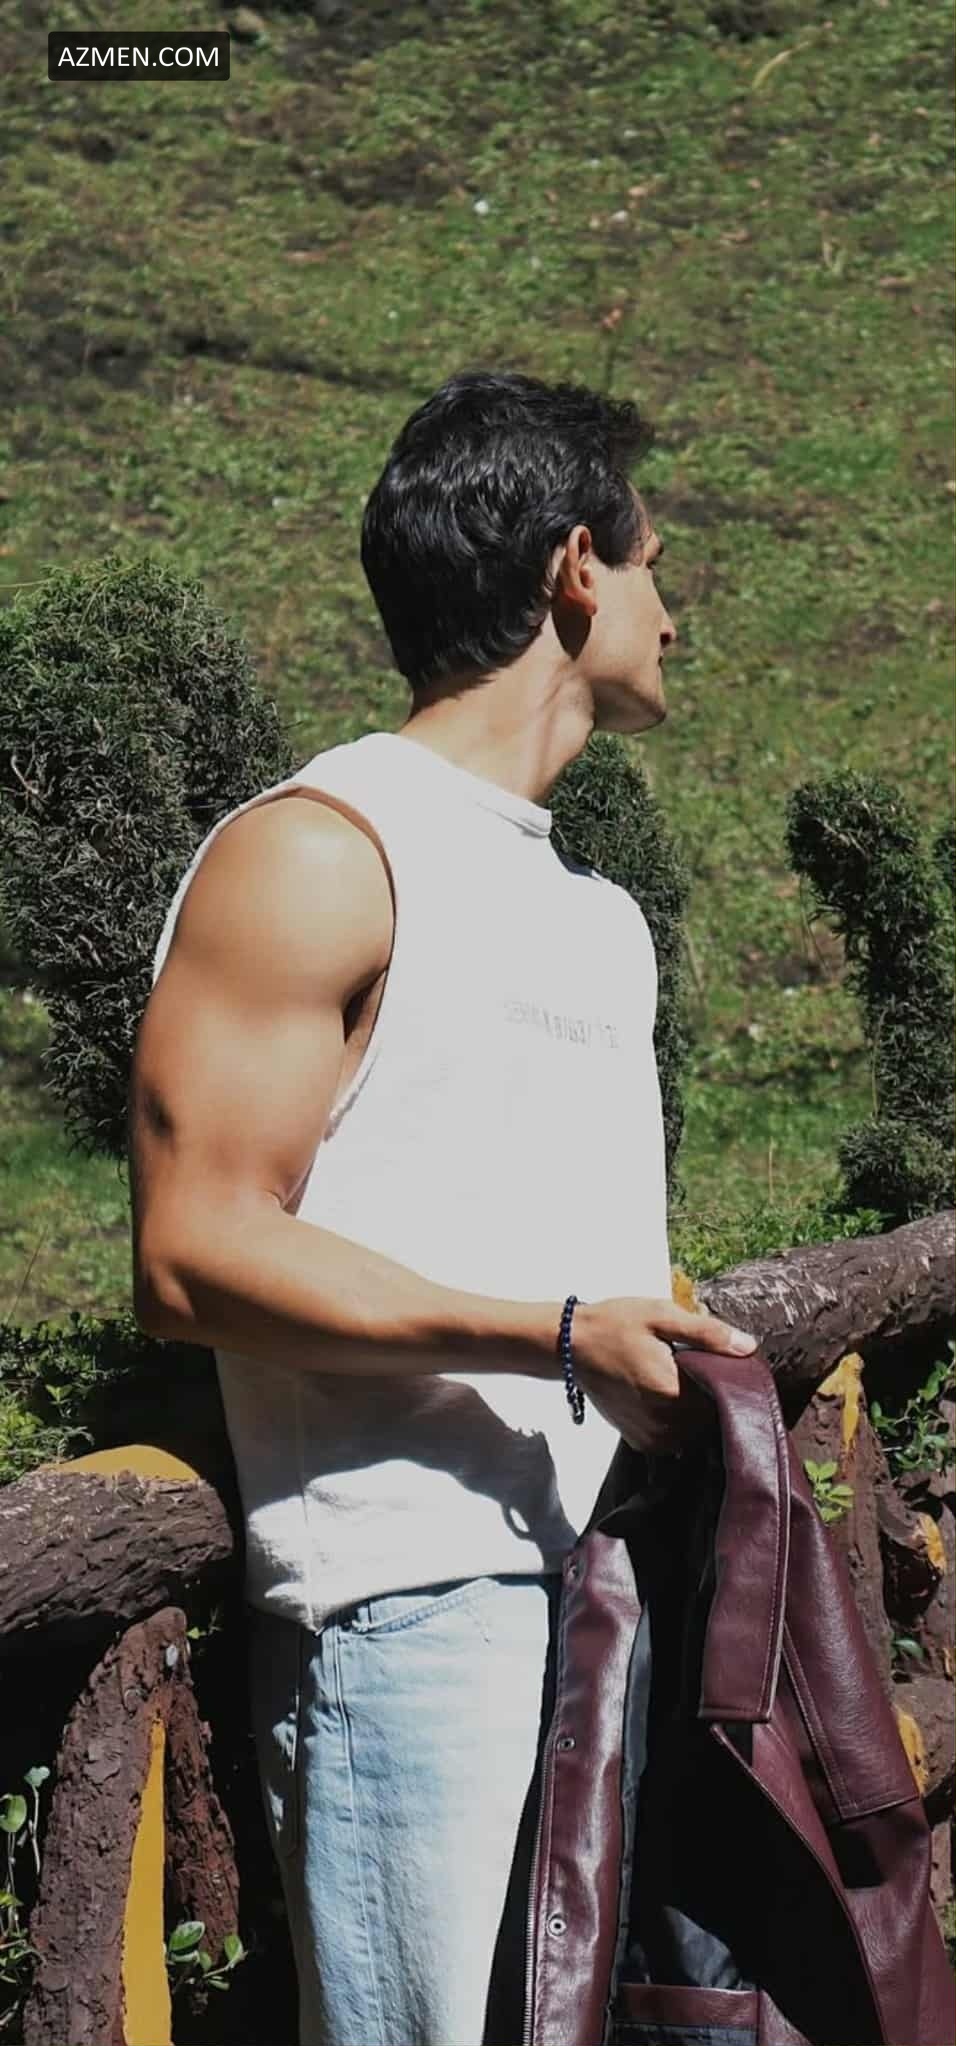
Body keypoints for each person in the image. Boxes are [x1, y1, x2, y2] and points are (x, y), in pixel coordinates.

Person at [128, 369, 758, 2046]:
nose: (676, 614)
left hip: (609, 1584)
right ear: (575, 570)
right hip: (411, 1604)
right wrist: (553, 1333)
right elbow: (192, 1248)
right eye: (655, 564)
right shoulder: (322, 852)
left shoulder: (596, 919)